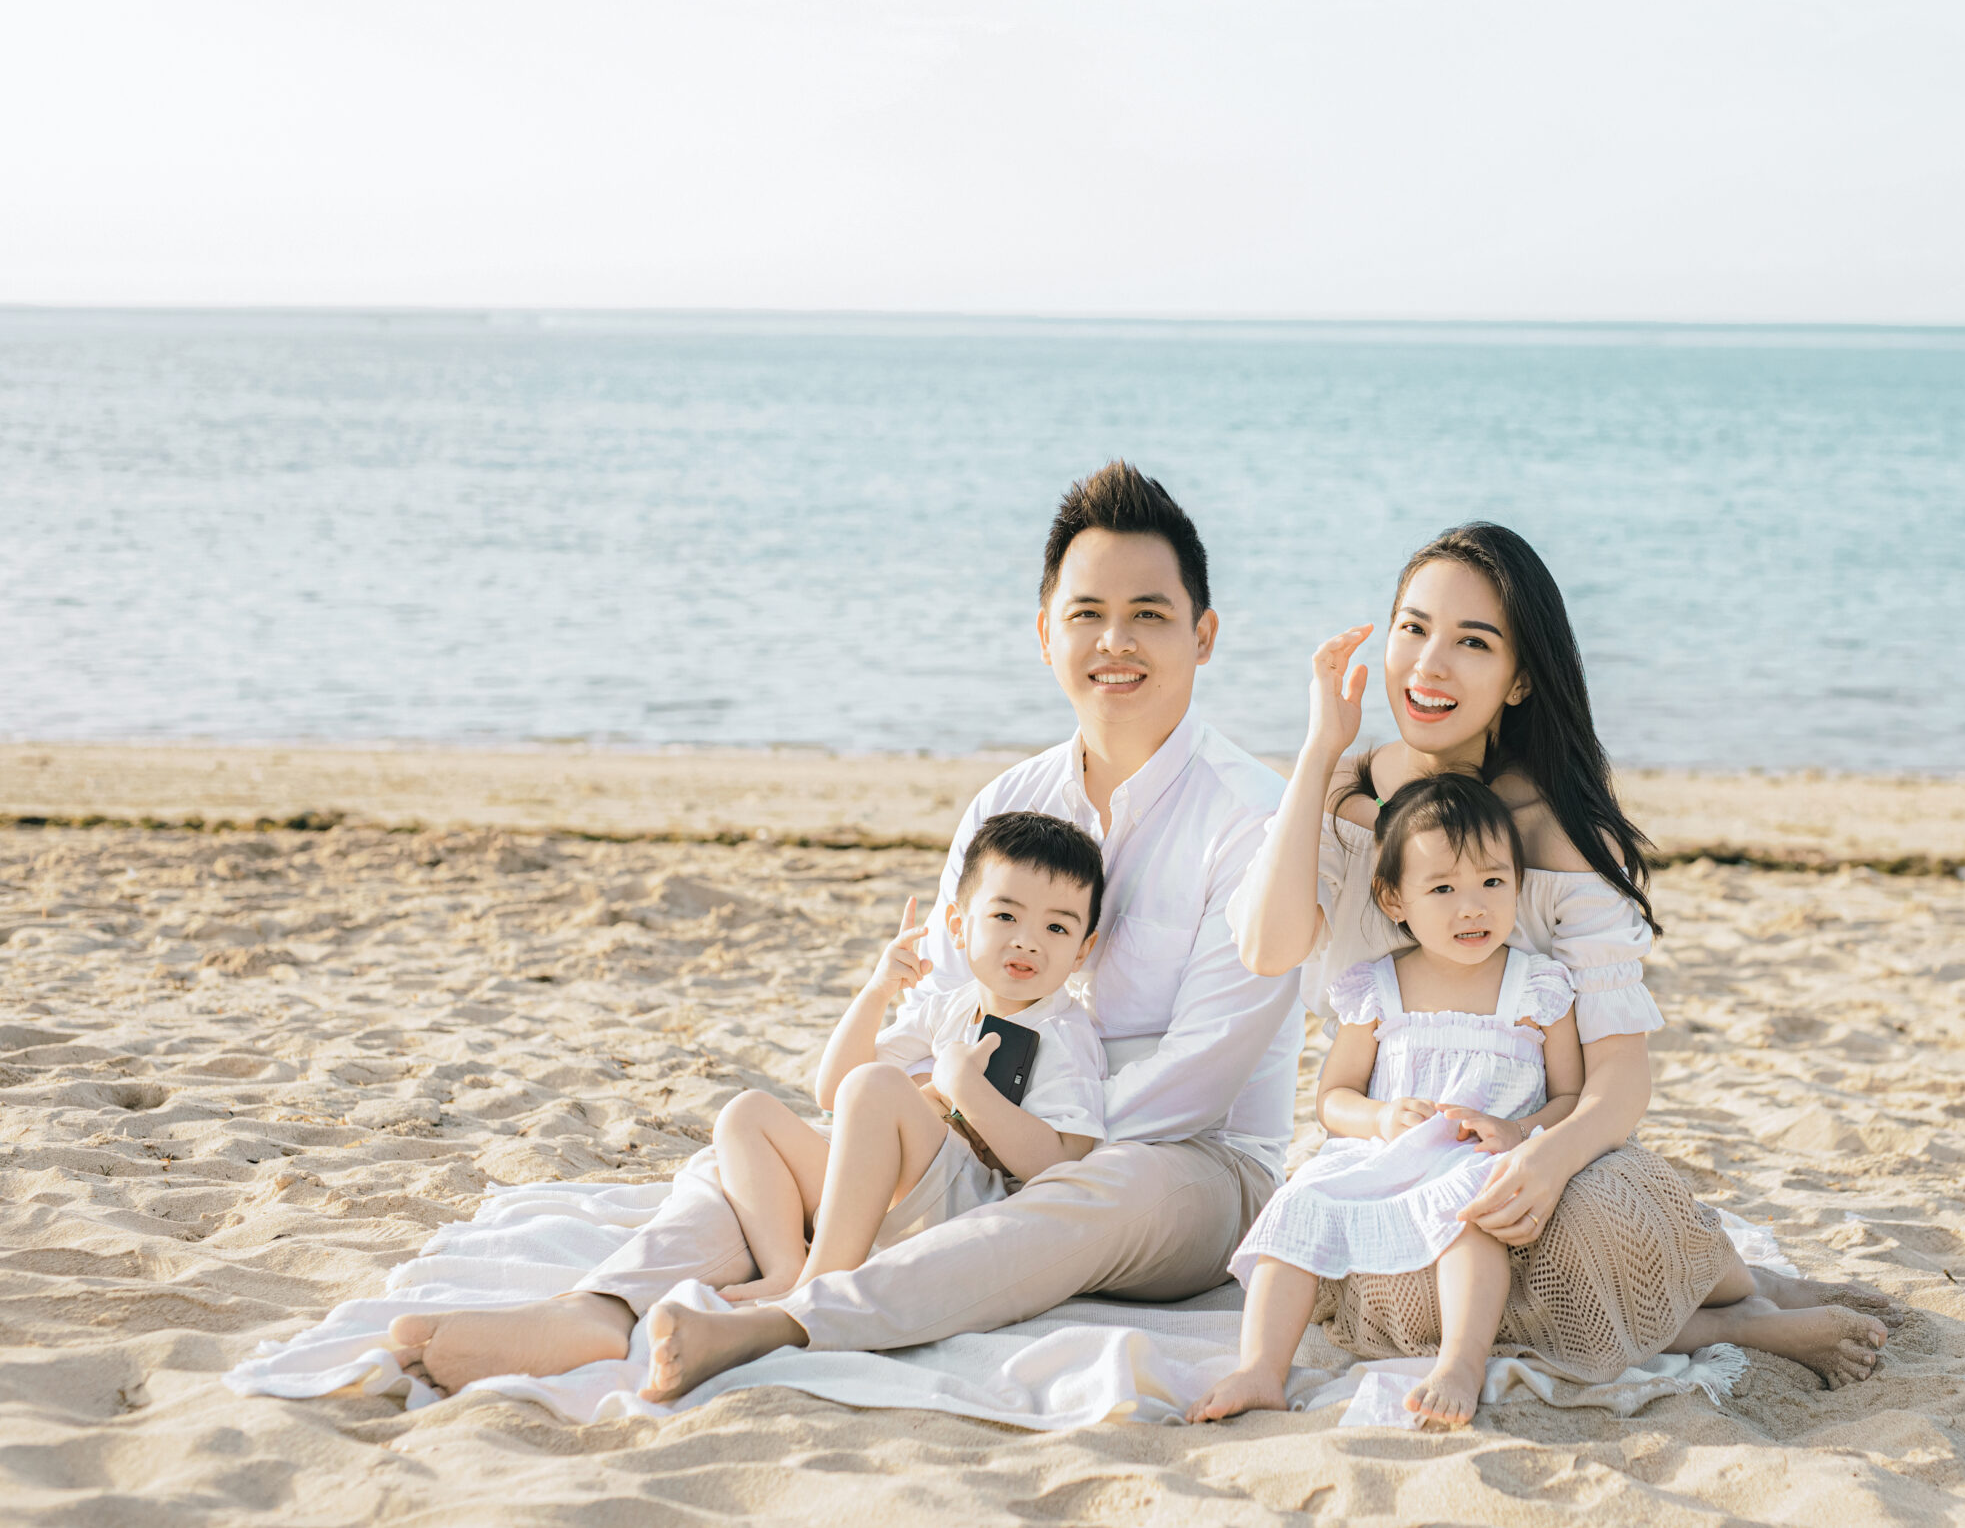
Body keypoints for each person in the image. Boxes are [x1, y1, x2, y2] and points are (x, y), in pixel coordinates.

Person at [390, 461, 1301, 1400]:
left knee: (1097, 1193)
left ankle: (788, 1319)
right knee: (759, 1150)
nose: (1116, 640)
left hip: (1183, 1167)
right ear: (1044, 635)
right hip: (981, 1140)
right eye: (1087, 613)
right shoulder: (1008, 803)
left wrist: (1026, 1146)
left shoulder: (1256, 819)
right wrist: (925, 1134)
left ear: (1204, 634)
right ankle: (602, 1308)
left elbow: (1202, 1075)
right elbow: (948, 1004)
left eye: (1149, 613)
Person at [1230, 522, 1893, 1388]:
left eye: (1474, 642)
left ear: (1520, 679)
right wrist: (1317, 754)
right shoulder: (1344, 788)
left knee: (1580, 1221)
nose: (1430, 664)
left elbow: (1619, 1076)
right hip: (1398, 1165)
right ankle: (1736, 1317)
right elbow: (1266, 947)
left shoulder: (1558, 833)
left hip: (1541, 1153)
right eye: (1413, 627)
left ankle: (1741, 1295)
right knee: (1395, 1263)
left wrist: (1543, 1157)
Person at [1192, 774, 1582, 1429]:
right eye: (1443, 888)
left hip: (1473, 1157)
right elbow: (1332, 1097)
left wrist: (1517, 1129)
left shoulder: (1538, 987)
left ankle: (1460, 1359)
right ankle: (1261, 1365)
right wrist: (1379, 1116)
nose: (1472, 908)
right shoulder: (1376, 989)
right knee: (1299, 1203)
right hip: (1384, 1153)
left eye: (1493, 882)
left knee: (1472, 1210)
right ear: (1394, 898)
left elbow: (1572, 1095)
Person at [708, 812, 1110, 1306]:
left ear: (1081, 950)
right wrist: (879, 991)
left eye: (1055, 927)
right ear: (959, 928)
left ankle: (819, 1283)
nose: (1027, 940)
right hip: (878, 1199)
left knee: (878, 1086)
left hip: (963, 1213)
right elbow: (833, 1090)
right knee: (747, 1113)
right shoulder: (952, 1004)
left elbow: (1061, 1165)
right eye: (1005, 916)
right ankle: (787, 1266)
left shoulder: (1063, 1032)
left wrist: (968, 1090)